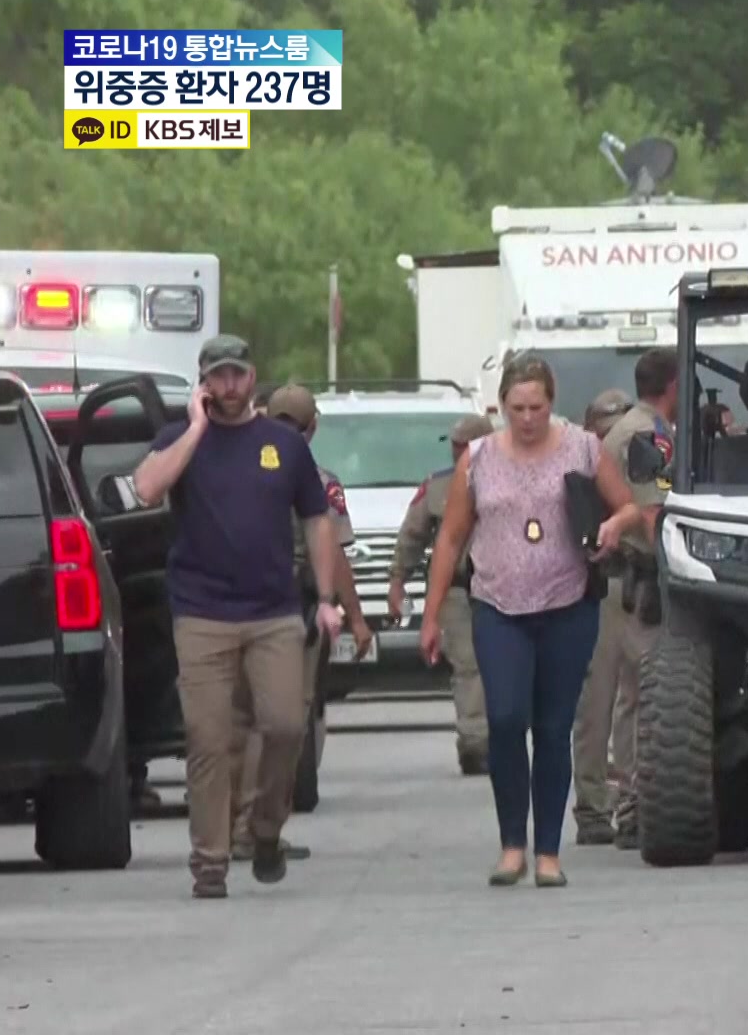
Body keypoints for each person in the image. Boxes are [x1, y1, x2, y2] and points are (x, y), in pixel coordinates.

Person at [130, 334, 344, 899]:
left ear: (253, 377)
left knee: (284, 725)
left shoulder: (283, 445)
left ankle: (266, 829)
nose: (229, 386)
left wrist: (326, 597)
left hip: (273, 611)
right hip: (201, 613)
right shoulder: (180, 439)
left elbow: (317, 519)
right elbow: (147, 487)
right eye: (218, 377)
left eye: (237, 375)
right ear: (204, 382)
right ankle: (210, 862)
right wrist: (197, 429)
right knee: (208, 738)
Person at [419, 354, 644, 887]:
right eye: (516, 408)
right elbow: (450, 538)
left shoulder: (583, 448)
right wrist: (430, 615)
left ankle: (547, 852)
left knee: (551, 727)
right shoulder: (477, 459)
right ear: (499, 406)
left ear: (552, 402)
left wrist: (614, 526)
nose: (526, 418)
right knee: (504, 718)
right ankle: (511, 844)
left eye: (536, 407)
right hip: (497, 605)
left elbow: (631, 507)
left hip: (567, 604)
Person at [230, 383, 372, 863]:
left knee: (238, 721)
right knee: (284, 723)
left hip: (228, 608)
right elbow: (331, 550)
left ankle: (232, 822)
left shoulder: (234, 465)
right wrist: (353, 616)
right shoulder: (317, 477)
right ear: (313, 428)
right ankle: (258, 826)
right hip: (292, 613)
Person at [389, 414, 497, 775]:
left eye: (463, 444)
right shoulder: (437, 486)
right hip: (457, 589)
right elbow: (412, 535)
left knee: (503, 666)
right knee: (468, 666)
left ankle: (503, 738)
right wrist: (397, 579)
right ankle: (474, 742)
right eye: (453, 444)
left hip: (504, 588)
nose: (456, 450)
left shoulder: (511, 476)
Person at [571, 386, 638, 846]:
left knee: (632, 699)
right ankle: (595, 805)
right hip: (601, 584)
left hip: (639, 582)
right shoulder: (580, 465)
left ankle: (631, 800)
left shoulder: (647, 455)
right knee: (598, 704)